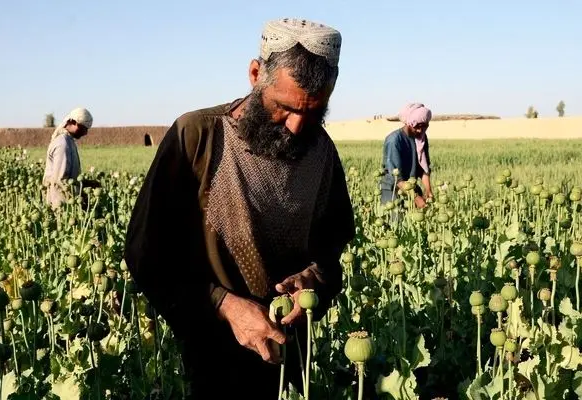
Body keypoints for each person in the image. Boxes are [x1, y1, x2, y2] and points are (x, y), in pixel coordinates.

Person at [123, 18, 355, 399]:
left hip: (287, 355)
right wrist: (224, 305)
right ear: (254, 74)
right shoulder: (197, 137)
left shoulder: (322, 152)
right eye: (286, 108)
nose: (298, 126)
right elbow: (146, 254)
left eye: (315, 112)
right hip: (208, 353)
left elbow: (331, 249)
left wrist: (312, 279)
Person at [380, 103, 434, 209]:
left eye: (424, 127)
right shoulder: (394, 140)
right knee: (396, 222)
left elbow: (424, 169)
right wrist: (416, 197)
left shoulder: (421, 138)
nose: (420, 130)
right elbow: (396, 178)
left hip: (412, 188)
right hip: (393, 189)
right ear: (409, 123)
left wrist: (428, 192)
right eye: (417, 127)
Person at [42, 107, 94, 208]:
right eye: (83, 128)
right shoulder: (62, 144)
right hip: (61, 204)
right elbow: (60, 181)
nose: (85, 133)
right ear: (72, 122)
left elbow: (69, 178)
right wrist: (81, 197)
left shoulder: (68, 141)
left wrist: (86, 184)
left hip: (68, 202)